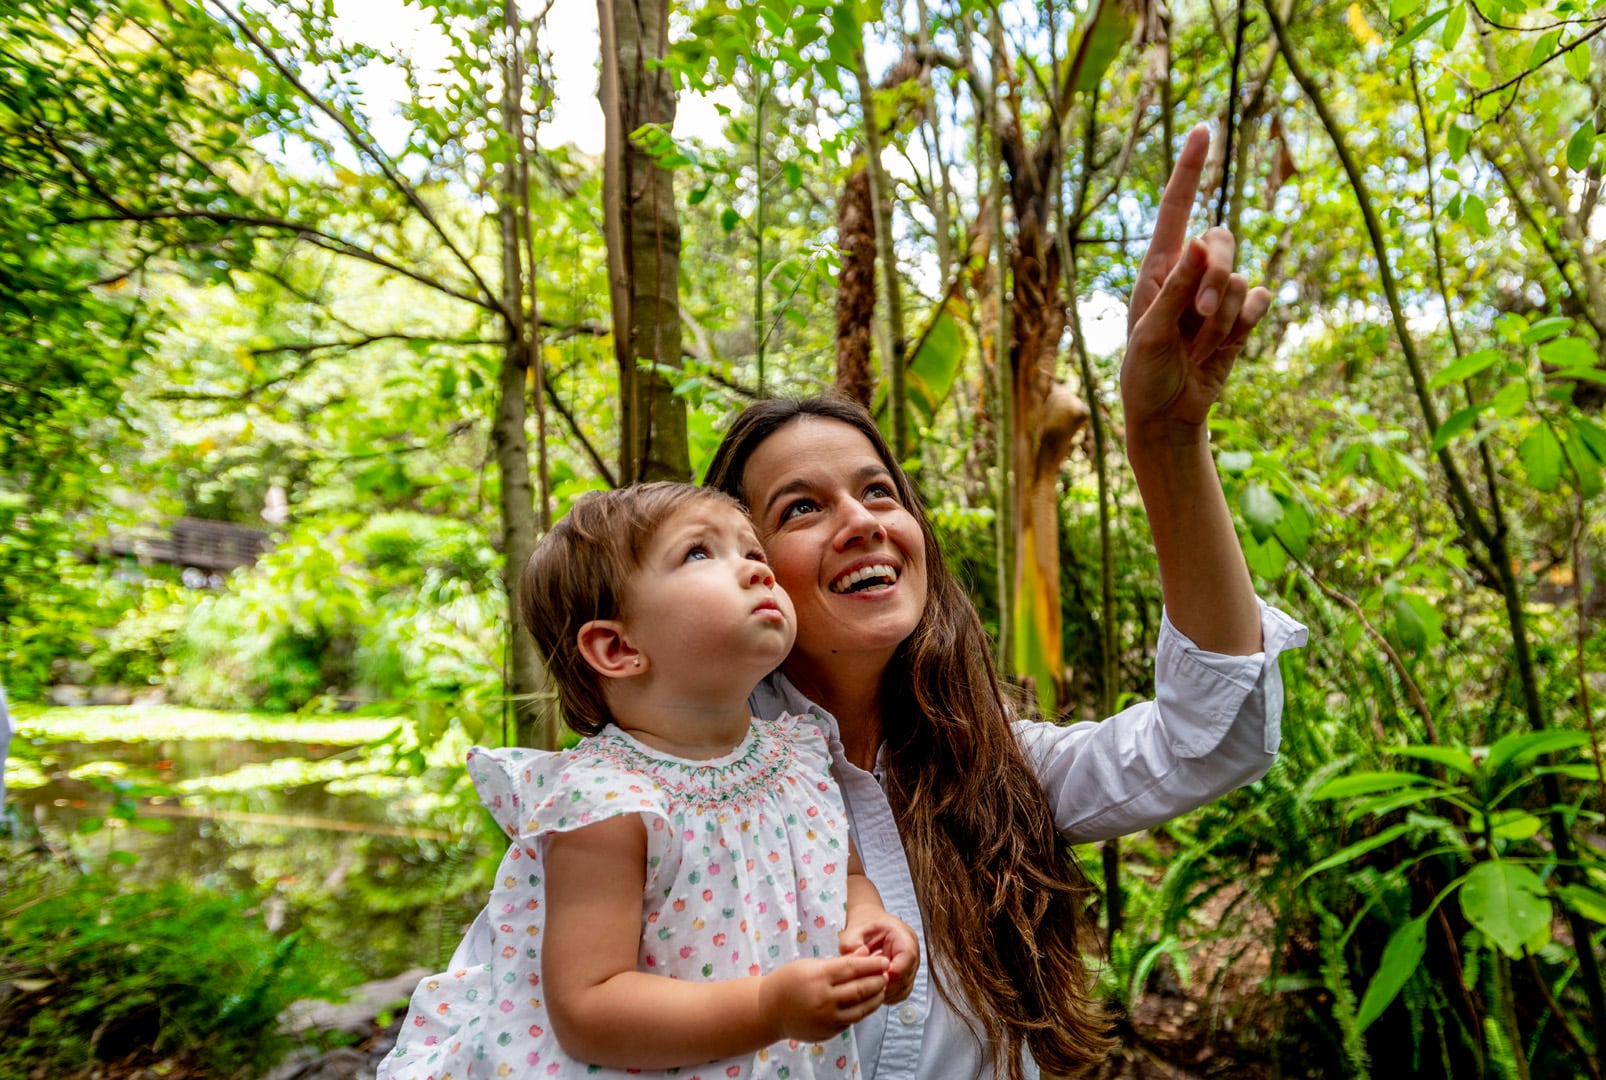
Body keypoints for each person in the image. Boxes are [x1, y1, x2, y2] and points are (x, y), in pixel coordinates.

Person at [700, 126, 1308, 1080]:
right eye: (803, 507)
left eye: (880, 493)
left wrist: (1167, 437)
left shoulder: (996, 767)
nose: (861, 522)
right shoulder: (682, 785)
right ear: (744, 565)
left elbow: (1214, 735)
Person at [378, 483, 920, 1080]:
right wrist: (767, 1007)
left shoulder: (799, 754)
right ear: (617, 646)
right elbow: (589, 1007)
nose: (756, 572)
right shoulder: (608, 800)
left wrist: (869, 925)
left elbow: (844, 876)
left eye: (753, 553)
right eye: (698, 553)